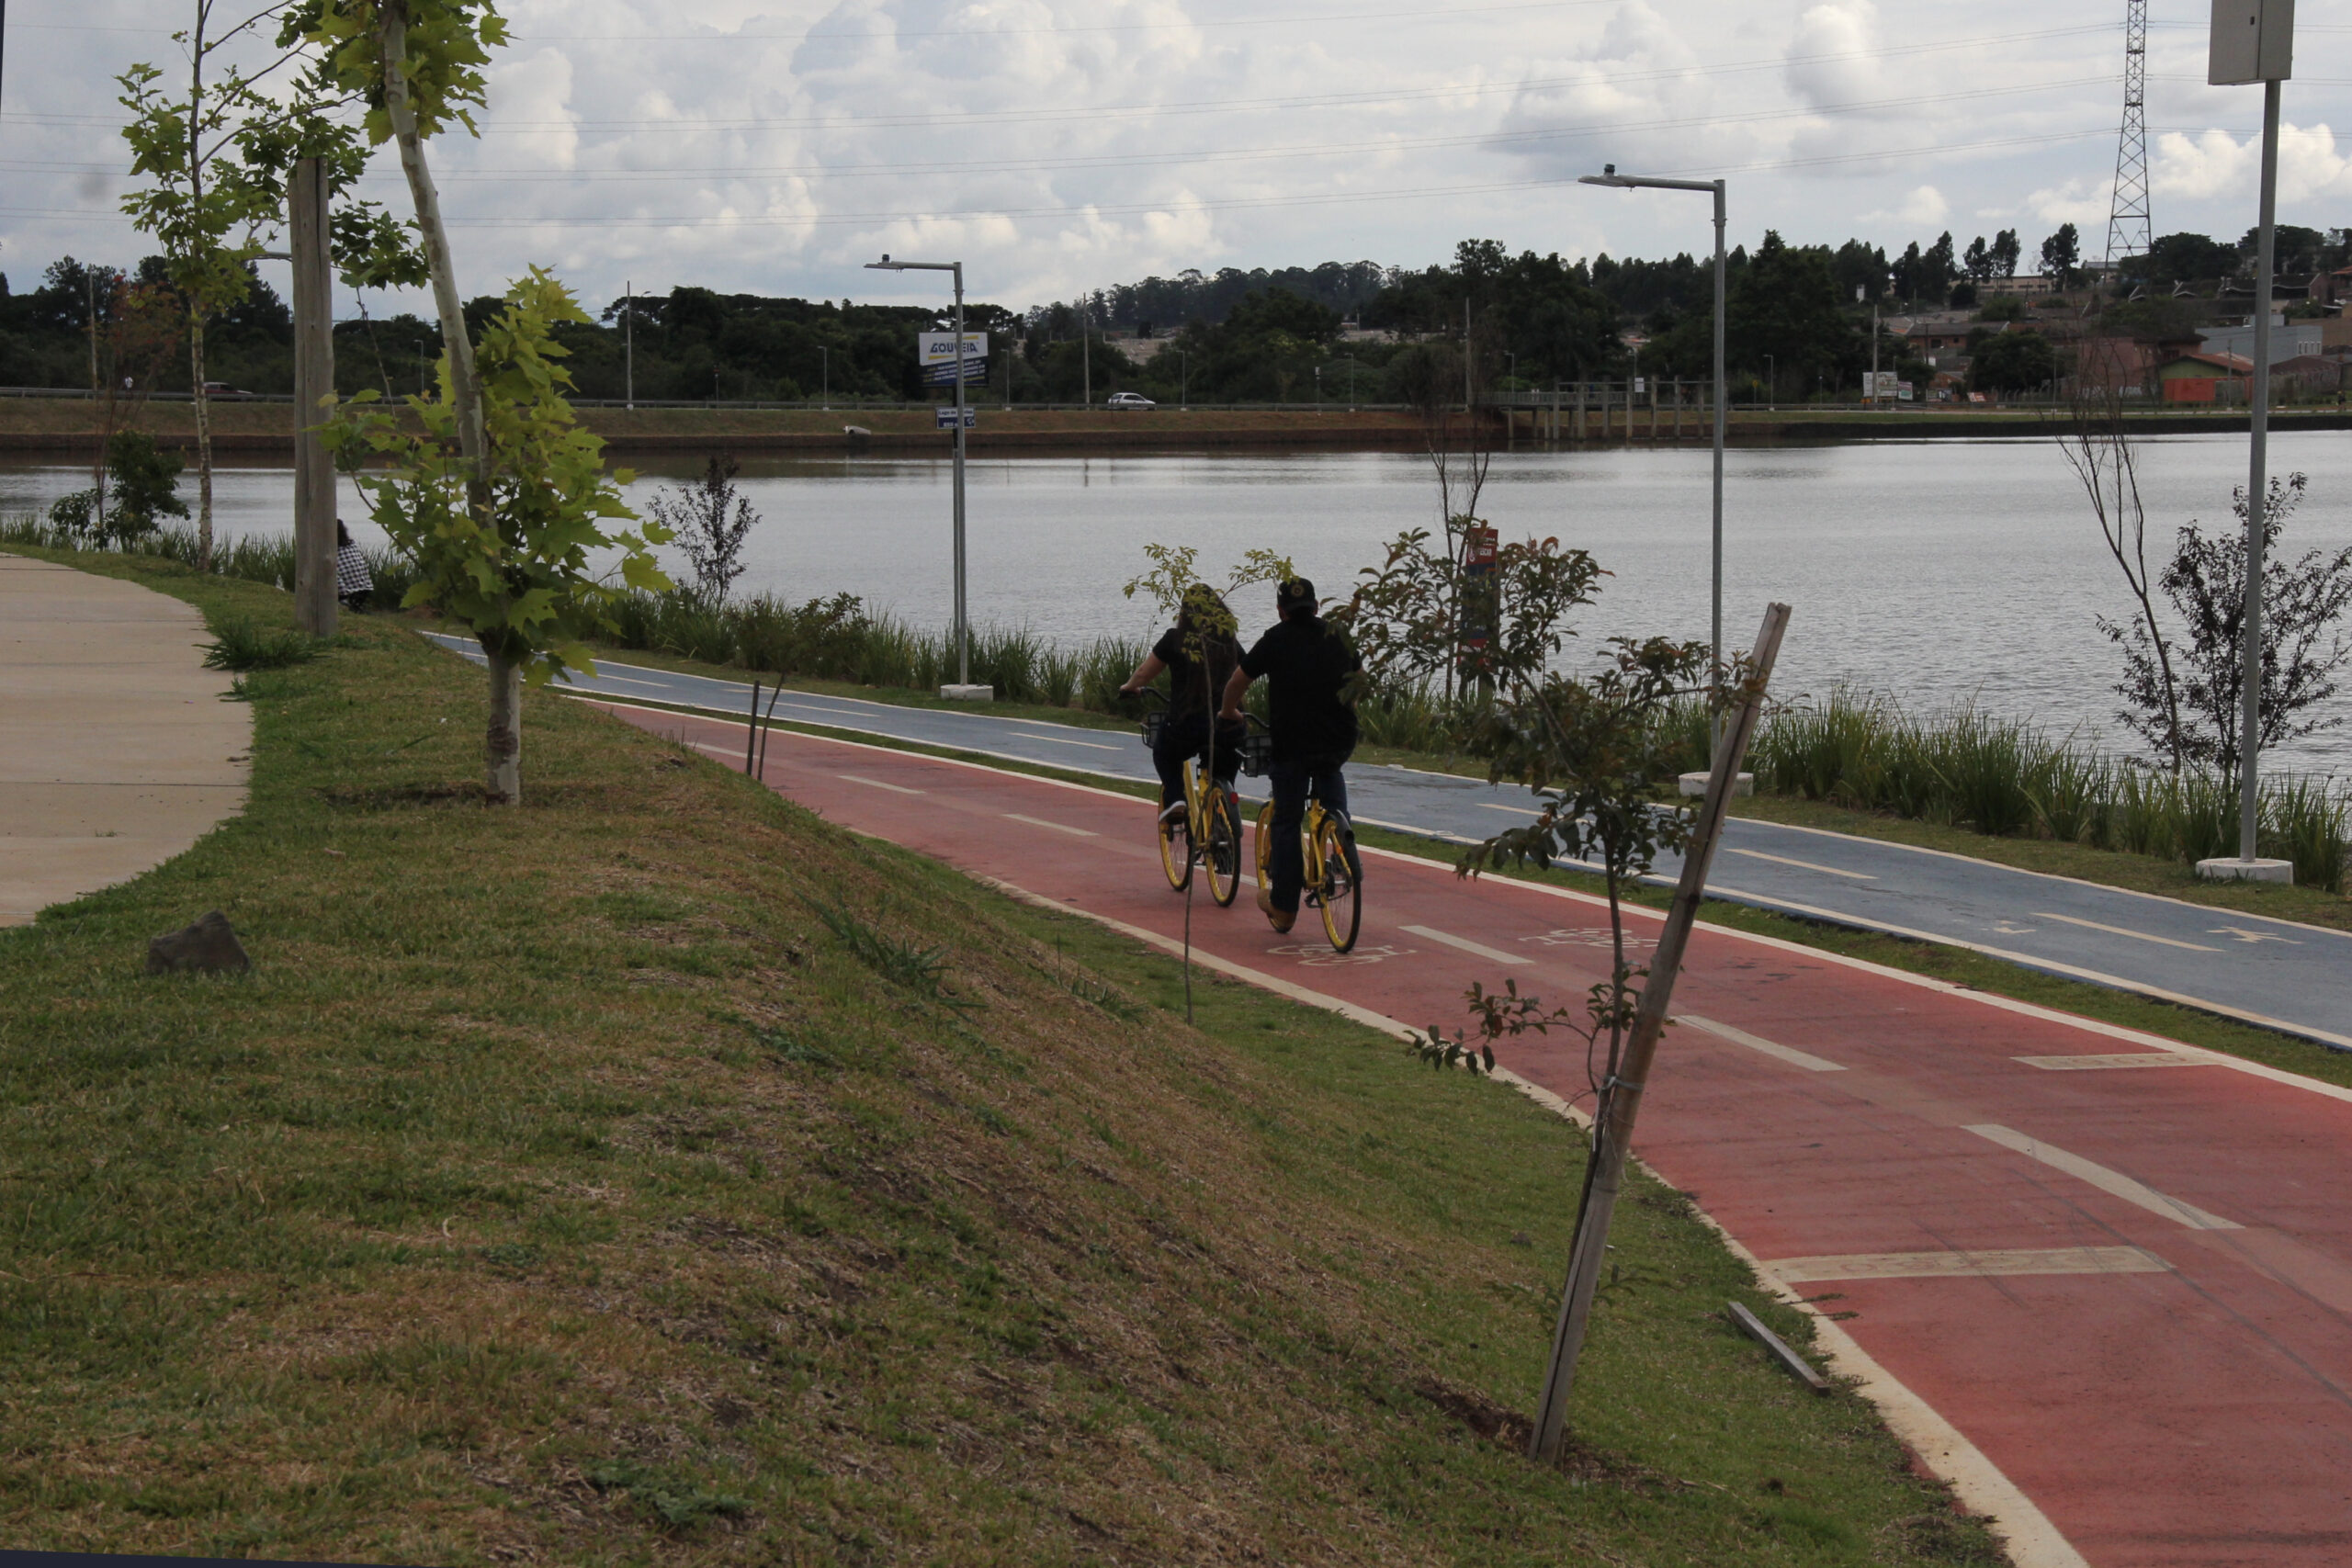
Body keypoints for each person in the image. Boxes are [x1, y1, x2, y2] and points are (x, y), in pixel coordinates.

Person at [1221, 577, 1361, 932]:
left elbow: (1239, 681)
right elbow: (1361, 681)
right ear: (1316, 607)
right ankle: (1342, 840)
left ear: (1281, 610)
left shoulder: (1275, 638)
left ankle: (1284, 906)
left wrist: (1228, 712)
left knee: (1285, 819)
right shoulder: (1338, 635)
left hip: (1293, 744)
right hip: (1338, 739)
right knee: (1331, 784)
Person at [1118, 582, 1245, 833]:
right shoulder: (1228, 639)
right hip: (1227, 723)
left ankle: (1176, 798)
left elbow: (1144, 673)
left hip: (1187, 724)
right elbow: (1245, 673)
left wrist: (1129, 687)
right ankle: (1222, 815)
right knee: (1226, 764)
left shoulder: (1175, 640)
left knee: (1164, 752)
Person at [334, 520, 374, 610]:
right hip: (365, 589)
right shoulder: (352, 545)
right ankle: (356, 605)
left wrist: (344, 594)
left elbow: (334, 574)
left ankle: (347, 604)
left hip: (347, 593)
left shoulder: (330, 551)